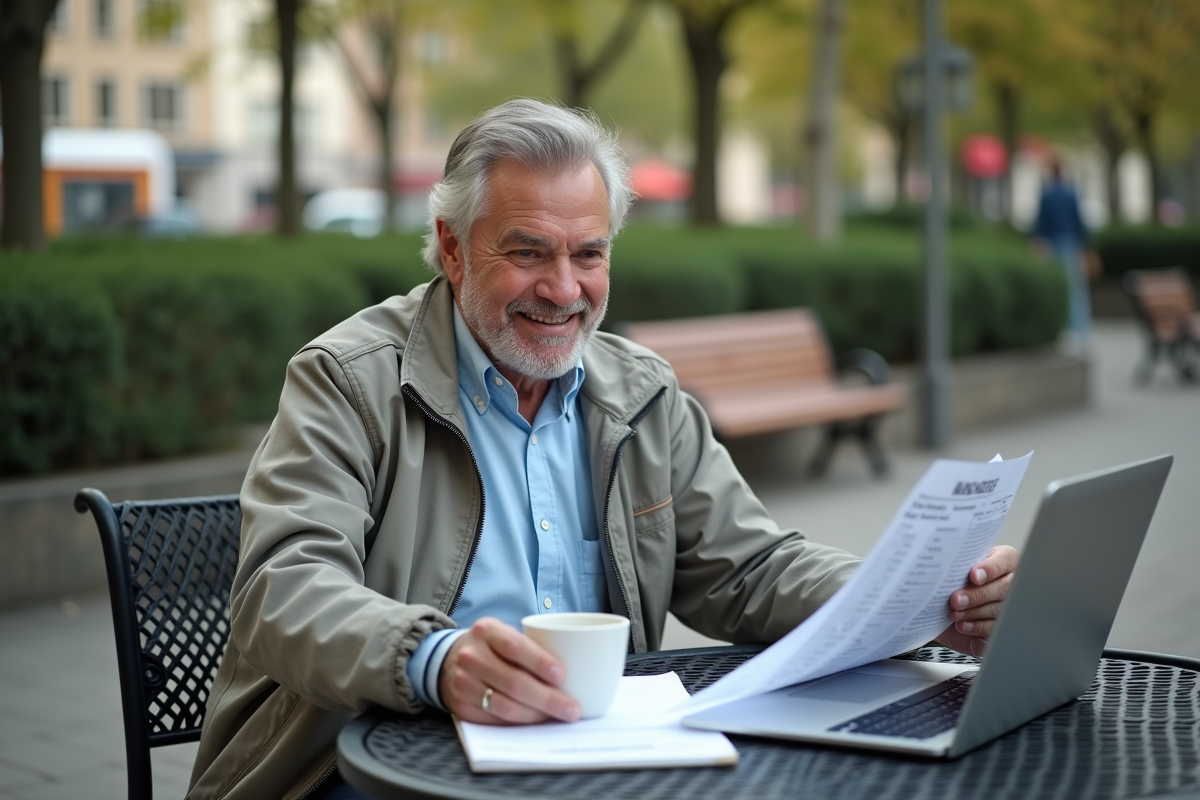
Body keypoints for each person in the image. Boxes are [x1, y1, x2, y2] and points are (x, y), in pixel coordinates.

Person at [187, 99, 1018, 800]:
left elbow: (750, 567)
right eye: (526, 252)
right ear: (449, 246)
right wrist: (434, 659)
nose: (563, 289)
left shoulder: (641, 392)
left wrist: (919, 595)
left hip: (582, 760)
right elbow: (281, 590)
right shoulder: (349, 379)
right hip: (352, 764)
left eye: (589, 253)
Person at [1032, 158, 1093, 353]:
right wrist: (1086, 248)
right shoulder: (1071, 194)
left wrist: (1038, 243)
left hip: (1052, 244)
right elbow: (1080, 223)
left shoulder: (1047, 195)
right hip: (1071, 244)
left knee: (1058, 287)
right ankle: (1080, 330)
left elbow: (1041, 223)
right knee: (1076, 288)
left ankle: (1061, 328)